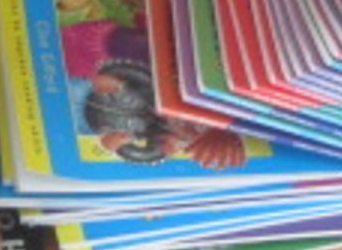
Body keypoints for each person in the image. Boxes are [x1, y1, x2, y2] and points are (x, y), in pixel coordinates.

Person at [80, 59, 245, 170]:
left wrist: (115, 146)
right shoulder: (155, 88)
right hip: (106, 93)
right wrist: (111, 77)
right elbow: (135, 72)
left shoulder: (166, 133)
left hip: (98, 121)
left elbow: (148, 154)